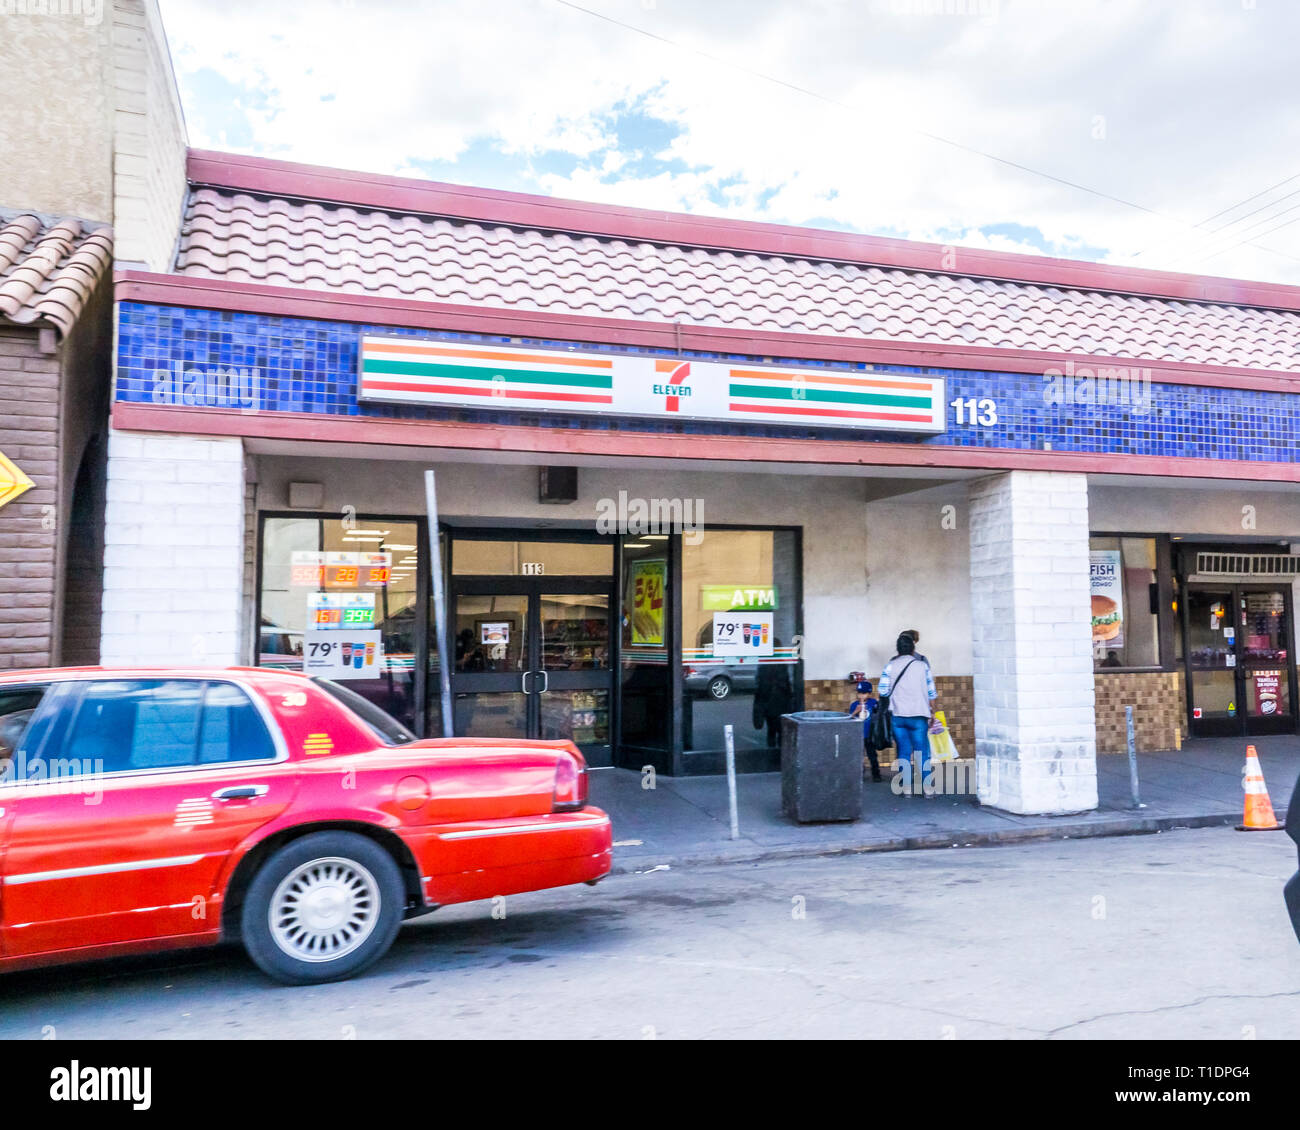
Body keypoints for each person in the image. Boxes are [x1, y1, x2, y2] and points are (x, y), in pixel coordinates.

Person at [879, 632, 939, 796]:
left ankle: (906, 788)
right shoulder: (922, 666)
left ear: (898, 649)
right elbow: (931, 692)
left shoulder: (890, 666)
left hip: (898, 715)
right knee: (922, 752)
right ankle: (927, 788)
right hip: (919, 715)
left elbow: (882, 691)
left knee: (904, 751)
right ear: (913, 648)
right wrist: (933, 712)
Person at [753, 641, 793, 748]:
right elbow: (787, 685)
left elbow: (759, 686)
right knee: (781, 731)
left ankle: (771, 753)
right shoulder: (781, 664)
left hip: (769, 703)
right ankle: (779, 754)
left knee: (771, 731)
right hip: (780, 703)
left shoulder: (764, 665)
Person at [847, 680, 882, 782]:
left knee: (872, 755)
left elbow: (879, 715)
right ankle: (859, 774)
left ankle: (876, 774)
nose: (861, 696)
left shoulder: (873, 703)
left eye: (864, 693)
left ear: (869, 694)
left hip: (870, 734)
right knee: (858, 756)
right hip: (859, 735)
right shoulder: (854, 705)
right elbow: (850, 718)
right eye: (859, 693)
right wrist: (855, 711)